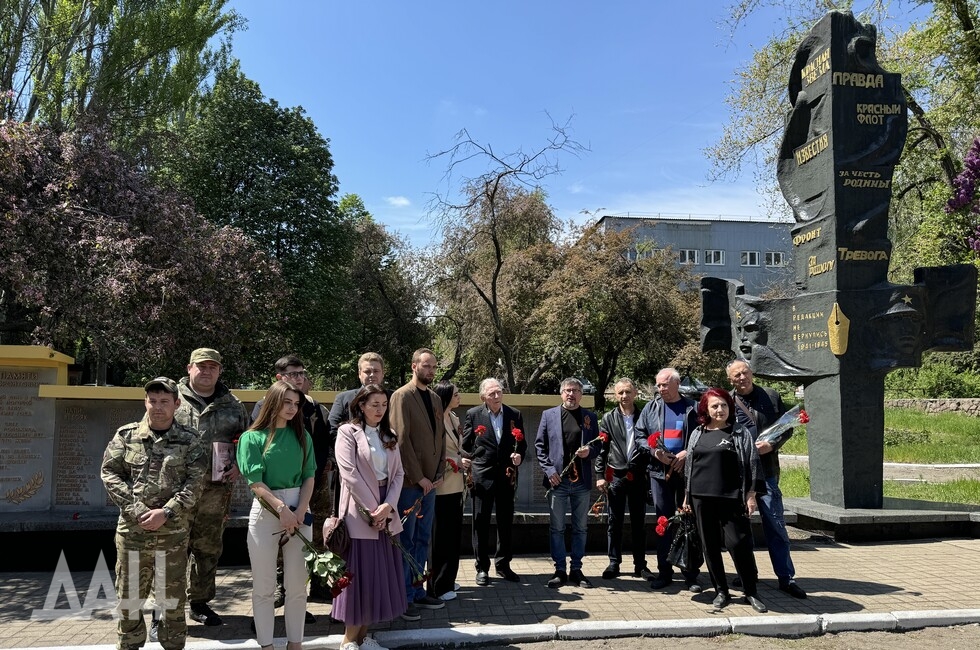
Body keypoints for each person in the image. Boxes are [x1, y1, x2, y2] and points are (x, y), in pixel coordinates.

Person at [101, 377, 207, 650]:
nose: (158, 407)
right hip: (133, 533)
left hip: (172, 534)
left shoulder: (191, 440)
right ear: (145, 402)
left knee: (172, 599)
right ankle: (130, 645)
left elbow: (196, 483)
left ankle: (173, 645)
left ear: (176, 404)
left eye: (164, 401)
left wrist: (167, 511)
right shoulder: (127, 436)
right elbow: (110, 473)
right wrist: (136, 509)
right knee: (129, 598)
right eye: (153, 401)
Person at [237, 380, 316, 650]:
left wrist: (301, 510)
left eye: (296, 404)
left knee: (297, 586)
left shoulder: (303, 437)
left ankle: (296, 644)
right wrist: (282, 509)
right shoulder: (252, 438)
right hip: (266, 511)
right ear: (273, 402)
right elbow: (255, 481)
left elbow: (309, 476)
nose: (292, 408)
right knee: (264, 586)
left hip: (300, 510)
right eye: (287, 402)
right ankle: (267, 645)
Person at [175, 347, 250, 627]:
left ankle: (199, 602)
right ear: (189, 368)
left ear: (219, 371)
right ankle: (165, 609)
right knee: (171, 548)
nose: (207, 371)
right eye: (201, 366)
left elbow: (247, 441)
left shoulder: (233, 404)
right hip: (176, 490)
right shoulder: (171, 398)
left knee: (207, 548)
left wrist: (239, 464)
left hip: (216, 492)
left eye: (212, 367)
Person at [251, 355, 332, 606]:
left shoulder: (314, 407)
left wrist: (327, 461)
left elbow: (324, 438)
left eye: (301, 373)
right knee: (282, 537)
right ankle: (281, 587)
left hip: (314, 480)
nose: (299, 378)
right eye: (292, 374)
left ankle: (318, 582)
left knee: (316, 532)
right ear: (279, 377)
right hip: (280, 488)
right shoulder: (264, 406)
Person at [333, 384, 407, 650]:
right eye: (374, 404)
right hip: (359, 510)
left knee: (378, 576)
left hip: (385, 509)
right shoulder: (347, 432)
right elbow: (349, 474)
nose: (380, 410)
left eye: (384, 404)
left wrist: (388, 506)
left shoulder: (389, 435)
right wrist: (374, 509)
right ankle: (348, 641)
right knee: (360, 575)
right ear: (361, 405)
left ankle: (363, 638)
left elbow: (398, 474)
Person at [727, 359, 807, 599]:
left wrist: (772, 445)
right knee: (741, 530)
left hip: (767, 474)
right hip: (739, 477)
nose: (742, 378)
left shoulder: (771, 396)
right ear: (730, 380)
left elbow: (786, 427)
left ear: (751, 373)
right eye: (736, 375)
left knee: (776, 526)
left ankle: (786, 578)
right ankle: (747, 574)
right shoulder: (726, 401)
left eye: (745, 372)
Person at [684, 388, 767, 613]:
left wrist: (751, 494)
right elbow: (690, 466)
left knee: (739, 544)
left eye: (723, 405)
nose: (720, 409)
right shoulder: (697, 433)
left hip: (732, 498)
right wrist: (686, 496)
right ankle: (721, 591)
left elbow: (752, 463)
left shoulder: (739, 432)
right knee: (709, 546)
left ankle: (751, 591)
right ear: (706, 409)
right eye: (714, 406)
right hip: (701, 498)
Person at [389, 348, 446, 621]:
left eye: (433, 366)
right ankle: (404, 597)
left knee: (423, 538)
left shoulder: (435, 398)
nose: (430, 371)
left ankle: (417, 590)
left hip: (431, 484)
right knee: (407, 540)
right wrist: (418, 477)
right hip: (411, 484)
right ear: (414, 366)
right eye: (426, 366)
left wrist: (439, 472)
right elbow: (401, 441)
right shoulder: (401, 396)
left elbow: (440, 437)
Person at [635, 368, 701, 591]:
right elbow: (640, 436)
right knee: (663, 521)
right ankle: (664, 571)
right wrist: (655, 452)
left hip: (687, 474)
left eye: (665, 384)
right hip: (659, 473)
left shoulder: (693, 407)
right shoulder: (651, 408)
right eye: (659, 385)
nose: (661, 389)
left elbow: (705, 434)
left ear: (677, 384)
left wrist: (688, 454)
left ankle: (690, 573)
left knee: (688, 521)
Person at [535, 377, 600, 589]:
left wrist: (589, 451)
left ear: (581, 394)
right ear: (561, 393)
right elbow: (540, 447)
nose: (571, 394)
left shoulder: (590, 417)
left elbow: (598, 446)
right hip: (558, 482)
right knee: (557, 528)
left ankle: (577, 569)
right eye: (567, 390)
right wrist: (549, 471)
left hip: (581, 482)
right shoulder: (548, 415)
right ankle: (560, 570)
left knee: (581, 528)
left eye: (575, 390)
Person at [461, 378, 526, 587]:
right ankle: (482, 567)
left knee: (505, 522)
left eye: (499, 392)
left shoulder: (514, 414)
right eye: (492, 394)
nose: (497, 396)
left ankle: (503, 564)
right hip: (482, 477)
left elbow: (522, 444)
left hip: (507, 476)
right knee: (480, 522)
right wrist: (468, 461)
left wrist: (519, 456)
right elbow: (466, 446)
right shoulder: (473, 414)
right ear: (483, 397)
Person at [595, 378, 652, 581]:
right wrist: (600, 475)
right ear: (615, 395)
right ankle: (614, 563)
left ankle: (640, 565)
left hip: (638, 475)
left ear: (635, 393)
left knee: (639, 522)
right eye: (620, 393)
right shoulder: (608, 418)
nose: (624, 396)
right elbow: (602, 449)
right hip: (616, 475)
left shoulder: (645, 416)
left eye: (628, 392)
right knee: (614, 521)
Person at [428, 381, 466, 600]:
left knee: (453, 535)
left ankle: (449, 579)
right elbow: (434, 452)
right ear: (445, 396)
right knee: (440, 537)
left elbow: (457, 448)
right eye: (456, 394)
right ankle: (438, 586)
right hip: (441, 486)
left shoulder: (454, 417)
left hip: (457, 485)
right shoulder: (435, 419)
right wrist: (457, 461)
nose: (459, 397)